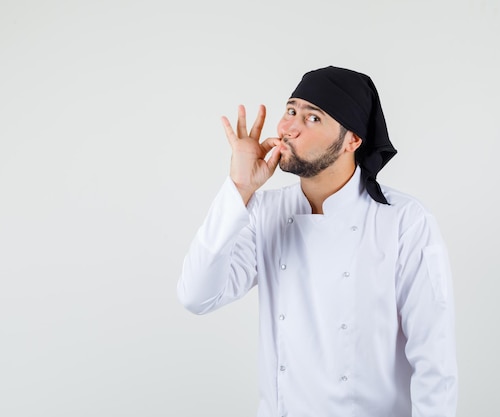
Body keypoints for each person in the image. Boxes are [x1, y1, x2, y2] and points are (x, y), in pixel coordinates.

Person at [177, 66, 457, 417]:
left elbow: (434, 361)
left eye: (313, 118)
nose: (289, 127)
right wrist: (240, 188)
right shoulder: (265, 212)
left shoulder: (405, 222)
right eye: (291, 110)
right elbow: (196, 296)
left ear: (352, 140)